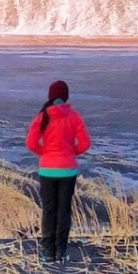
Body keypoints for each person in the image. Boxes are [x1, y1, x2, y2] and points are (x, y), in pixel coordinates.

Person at [25, 79, 91, 260]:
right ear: (66, 96)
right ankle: (60, 250)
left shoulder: (42, 116)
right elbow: (85, 143)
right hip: (68, 170)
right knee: (64, 210)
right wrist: (71, 153)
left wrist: (45, 153)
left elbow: (30, 143)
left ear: (50, 96)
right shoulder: (74, 116)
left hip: (47, 169)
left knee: (48, 210)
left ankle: (47, 251)